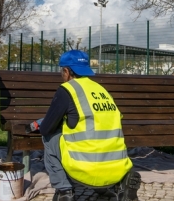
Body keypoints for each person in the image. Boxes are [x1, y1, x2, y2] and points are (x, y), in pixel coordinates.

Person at [40, 50, 141, 201]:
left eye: (62, 71)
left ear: (67, 71)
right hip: (116, 166)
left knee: (48, 138)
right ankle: (120, 184)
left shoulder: (68, 89)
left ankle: (64, 192)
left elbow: (46, 127)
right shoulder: (101, 90)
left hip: (84, 168)